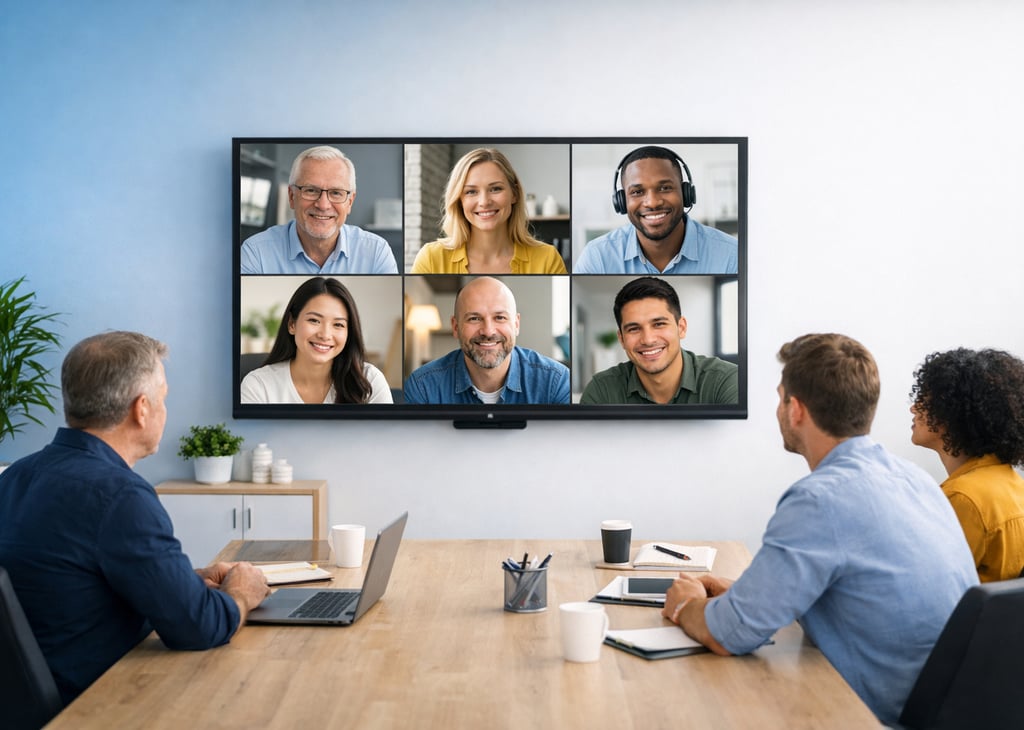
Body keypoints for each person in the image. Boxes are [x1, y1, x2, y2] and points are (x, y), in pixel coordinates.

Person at [658, 333, 977, 726]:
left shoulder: (820, 499)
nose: (778, 409)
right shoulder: (914, 479)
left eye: (780, 399)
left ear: (795, 409)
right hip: (950, 710)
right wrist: (748, 594)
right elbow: (860, 589)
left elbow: (729, 635)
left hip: (876, 717)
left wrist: (687, 605)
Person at [0, 331, 270, 704]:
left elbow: (69, 582)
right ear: (141, 409)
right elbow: (197, 627)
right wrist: (241, 593)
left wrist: (183, 582)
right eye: (164, 398)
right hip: (99, 703)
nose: (165, 409)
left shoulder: (15, 476)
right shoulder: (121, 495)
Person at [910, 347, 1024, 582]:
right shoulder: (1015, 485)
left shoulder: (962, 498)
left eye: (924, 400)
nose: (913, 408)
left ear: (952, 413)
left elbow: (927, 584)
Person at [403, 276, 569, 404]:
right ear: (455, 327)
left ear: (516, 324)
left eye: (500, 317)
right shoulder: (422, 386)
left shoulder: (555, 382)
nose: (488, 331)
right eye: (474, 318)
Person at [574, 145, 737, 275]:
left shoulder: (732, 254)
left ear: (686, 193)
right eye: (637, 192)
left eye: (665, 188)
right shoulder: (597, 257)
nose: (652, 203)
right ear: (621, 201)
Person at [240, 145, 398, 274]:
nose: (323, 205)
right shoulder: (255, 253)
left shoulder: (376, 252)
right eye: (311, 190)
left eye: (336, 193)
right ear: (291, 196)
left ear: (350, 202)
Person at [580, 277, 737, 404]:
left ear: (681, 328)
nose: (648, 340)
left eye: (659, 324)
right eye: (634, 329)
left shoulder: (726, 381)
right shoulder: (601, 391)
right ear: (621, 339)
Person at [411, 148, 567, 274]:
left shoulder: (547, 259)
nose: (484, 202)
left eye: (495, 189)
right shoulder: (431, 259)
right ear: (459, 200)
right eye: (471, 191)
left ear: (514, 194)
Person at [241, 277, 392, 404]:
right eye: (314, 320)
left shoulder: (369, 381)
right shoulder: (259, 385)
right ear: (292, 324)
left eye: (338, 324)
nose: (325, 335)